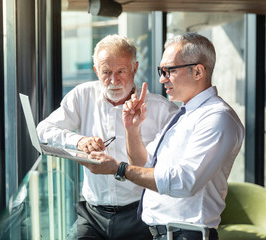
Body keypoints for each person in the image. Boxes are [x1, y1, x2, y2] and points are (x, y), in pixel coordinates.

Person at [83, 32, 245, 240]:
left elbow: (185, 182)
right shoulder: (182, 115)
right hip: (163, 234)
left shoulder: (217, 118)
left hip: (186, 235)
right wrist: (132, 130)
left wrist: (119, 169)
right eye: (162, 71)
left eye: (169, 71)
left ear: (197, 71)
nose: (162, 79)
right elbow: (144, 164)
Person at [37, 34, 178, 239]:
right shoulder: (82, 95)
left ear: (134, 69)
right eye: (106, 72)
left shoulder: (162, 110)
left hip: (142, 214)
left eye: (121, 71)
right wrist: (79, 141)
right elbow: (43, 130)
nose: (113, 80)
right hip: (92, 215)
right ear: (96, 71)